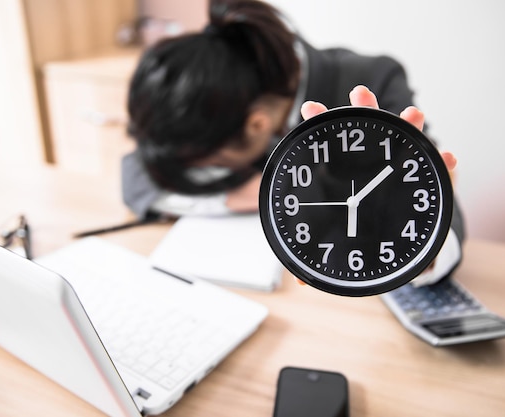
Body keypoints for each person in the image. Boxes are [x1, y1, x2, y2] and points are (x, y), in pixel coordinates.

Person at [122, 0, 465, 284]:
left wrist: (422, 246)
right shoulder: (214, 103)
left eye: (216, 161)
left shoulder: (372, 80)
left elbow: (442, 217)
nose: (216, 170)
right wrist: (237, 196)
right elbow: (137, 172)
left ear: (257, 125)